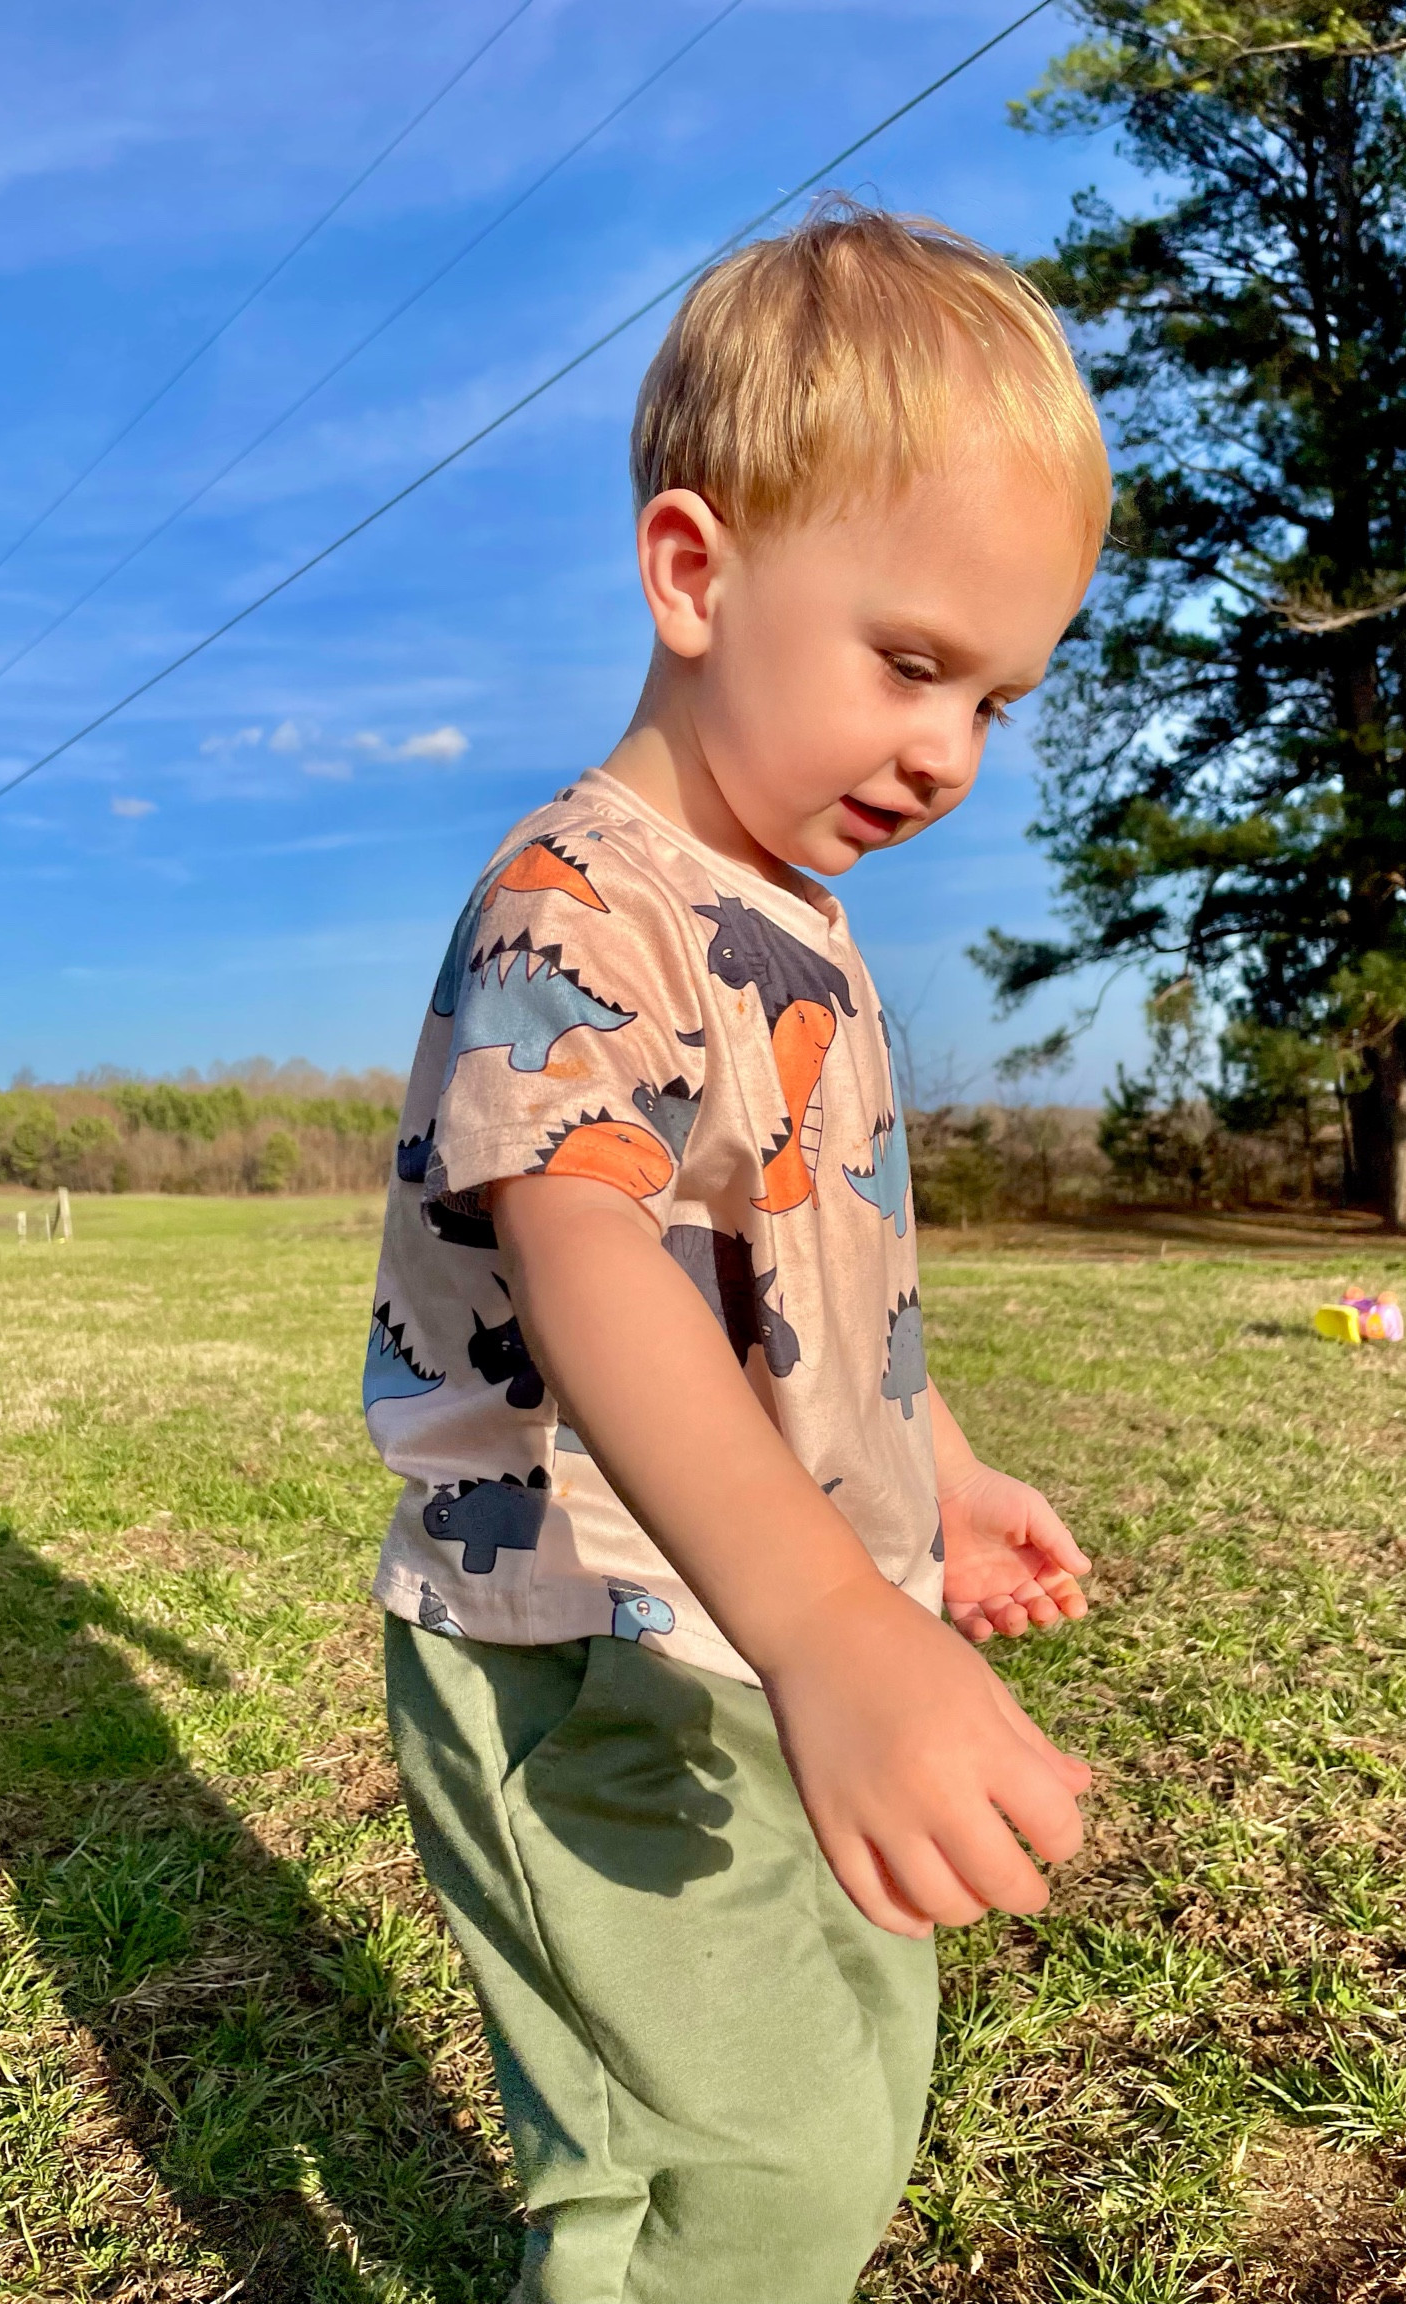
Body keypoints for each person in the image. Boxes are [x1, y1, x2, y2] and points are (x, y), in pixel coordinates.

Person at [365, 198, 1111, 2303]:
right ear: (694, 572)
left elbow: (808, 1267)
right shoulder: (574, 907)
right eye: (914, 663)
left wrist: (935, 1473)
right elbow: (593, 1264)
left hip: (776, 1619)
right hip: (591, 1634)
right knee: (735, 2173)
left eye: (998, 698)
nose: (950, 751)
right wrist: (827, 1620)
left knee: (854, 2086)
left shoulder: (806, 929)